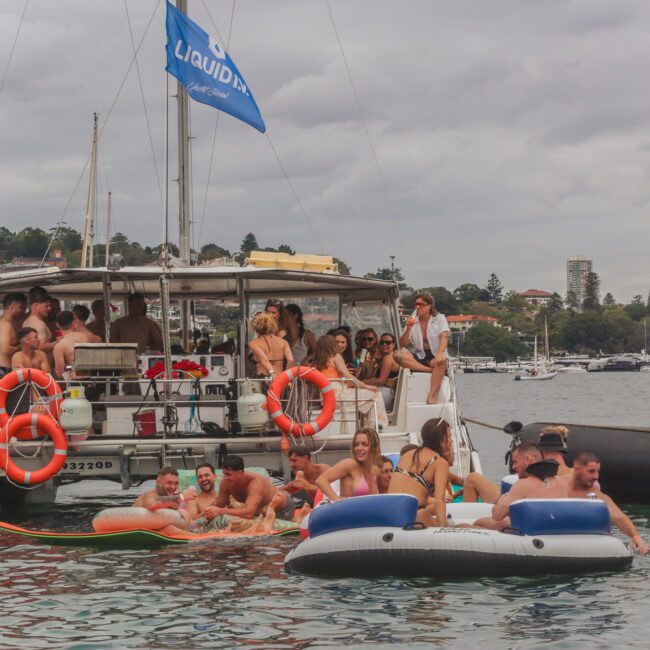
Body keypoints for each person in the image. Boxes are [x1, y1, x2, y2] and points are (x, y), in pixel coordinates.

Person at [559, 451, 648, 554]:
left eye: (598, 471)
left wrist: (636, 538)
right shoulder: (556, 484)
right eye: (591, 471)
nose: (596, 476)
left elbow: (619, 517)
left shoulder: (596, 494)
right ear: (577, 469)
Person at [481, 443, 566, 529]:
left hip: (530, 532)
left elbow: (497, 515)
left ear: (528, 459)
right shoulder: (560, 482)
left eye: (515, 462)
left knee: (478, 523)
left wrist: (502, 499)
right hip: (553, 530)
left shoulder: (524, 484)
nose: (513, 467)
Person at [312, 335, 387, 429]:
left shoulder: (316, 362)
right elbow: (346, 375)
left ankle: (368, 426)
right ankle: (377, 426)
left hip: (325, 399)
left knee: (367, 398)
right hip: (338, 396)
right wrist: (366, 386)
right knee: (375, 394)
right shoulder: (335, 357)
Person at [388, 418, 451, 527]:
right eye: (449, 436)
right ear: (441, 439)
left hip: (389, 514)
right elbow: (439, 500)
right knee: (455, 525)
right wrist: (443, 529)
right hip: (414, 516)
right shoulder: (440, 462)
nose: (451, 440)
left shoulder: (408, 454)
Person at [396, 293, 450, 404]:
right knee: (398, 355)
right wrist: (408, 328)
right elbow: (402, 344)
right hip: (420, 354)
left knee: (441, 361)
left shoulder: (439, 319)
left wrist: (440, 352)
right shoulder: (413, 320)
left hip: (434, 354)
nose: (417, 307)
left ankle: (431, 395)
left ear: (429, 306)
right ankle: (430, 371)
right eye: (416, 304)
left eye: (420, 304)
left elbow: (444, 336)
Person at [211, 455, 296, 521]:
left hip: (283, 508)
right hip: (258, 507)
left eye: (228, 474)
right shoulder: (225, 482)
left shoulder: (255, 483)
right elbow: (220, 506)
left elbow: (248, 513)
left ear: (240, 473)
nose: (225, 477)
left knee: (251, 511)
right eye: (224, 474)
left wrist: (221, 511)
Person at [315, 427, 381, 500]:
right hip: (347, 510)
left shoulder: (376, 471)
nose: (359, 448)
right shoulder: (350, 464)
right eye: (356, 444)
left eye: (365, 444)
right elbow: (321, 480)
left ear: (374, 447)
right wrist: (336, 500)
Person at [133, 466, 197, 534]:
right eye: (169, 483)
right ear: (159, 482)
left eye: (176, 483)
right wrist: (181, 497)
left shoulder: (169, 501)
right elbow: (151, 505)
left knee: (184, 513)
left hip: (159, 534)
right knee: (170, 528)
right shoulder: (149, 495)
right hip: (137, 532)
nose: (173, 487)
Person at [248, 311, 294, 377]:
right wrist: (287, 378)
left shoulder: (253, 343)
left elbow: (264, 360)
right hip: (281, 380)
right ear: (273, 325)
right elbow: (291, 360)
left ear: (255, 326)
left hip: (264, 380)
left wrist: (272, 373)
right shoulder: (283, 342)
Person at [363, 332, 400, 410]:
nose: (384, 345)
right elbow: (369, 376)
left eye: (388, 342)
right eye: (382, 342)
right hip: (383, 390)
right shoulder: (383, 358)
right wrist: (374, 360)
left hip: (385, 392)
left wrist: (361, 382)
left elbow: (381, 381)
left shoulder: (388, 358)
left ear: (394, 345)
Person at [53, 310, 92, 379]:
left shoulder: (60, 346)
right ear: (73, 323)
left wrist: (70, 379)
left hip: (75, 383)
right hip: (93, 380)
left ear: (57, 325)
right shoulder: (87, 336)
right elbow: (100, 341)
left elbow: (60, 372)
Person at [22, 288, 56, 359]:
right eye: (46, 306)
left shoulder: (27, 320)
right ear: (35, 306)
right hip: (39, 366)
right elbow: (40, 347)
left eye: (49, 306)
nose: (49, 308)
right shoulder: (38, 324)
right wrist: (58, 342)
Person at [0, 292, 27, 376]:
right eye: (21, 307)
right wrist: (21, 346)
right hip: (3, 369)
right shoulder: (5, 325)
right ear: (10, 304)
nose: (23, 311)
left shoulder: (15, 322)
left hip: (10, 368)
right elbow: (5, 349)